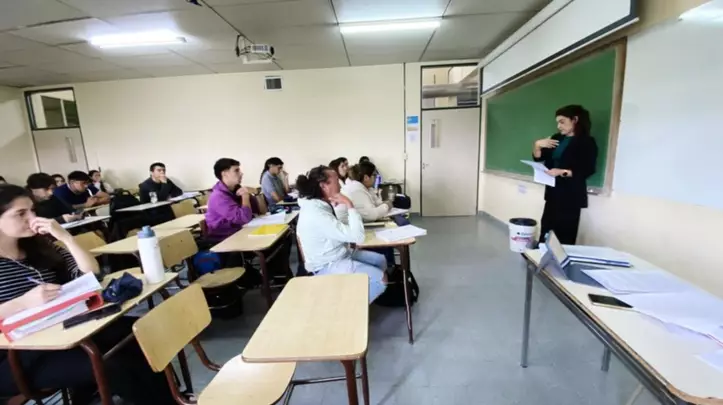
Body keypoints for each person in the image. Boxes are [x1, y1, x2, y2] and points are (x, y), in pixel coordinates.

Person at [0, 184, 175, 405]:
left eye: (33, 210)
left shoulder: (37, 247)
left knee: (140, 332)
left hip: (63, 329)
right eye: (21, 214)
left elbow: (90, 273)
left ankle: (170, 398)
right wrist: (23, 303)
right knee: (113, 366)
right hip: (18, 356)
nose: (32, 218)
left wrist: (66, 238)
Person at [296, 166, 387, 303]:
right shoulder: (317, 213)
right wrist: (349, 204)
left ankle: (357, 293)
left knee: (380, 261)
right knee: (381, 279)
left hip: (339, 253)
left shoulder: (318, 204)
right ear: (324, 186)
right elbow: (358, 237)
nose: (340, 185)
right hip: (327, 264)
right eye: (336, 181)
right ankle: (349, 309)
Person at [533, 104, 598, 245]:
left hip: (571, 196)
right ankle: (542, 255)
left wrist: (563, 172)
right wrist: (537, 145)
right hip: (552, 192)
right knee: (546, 229)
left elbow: (588, 169)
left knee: (565, 234)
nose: (559, 126)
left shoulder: (586, 142)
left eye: (562, 122)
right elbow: (539, 158)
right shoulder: (557, 138)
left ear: (575, 120)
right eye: (557, 122)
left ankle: (561, 258)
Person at [206, 158, 253, 241]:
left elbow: (256, 210)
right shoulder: (218, 196)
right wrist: (245, 195)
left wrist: (255, 192)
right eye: (236, 170)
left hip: (238, 231)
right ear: (224, 174)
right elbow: (244, 218)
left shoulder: (235, 189)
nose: (241, 173)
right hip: (223, 239)